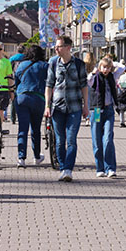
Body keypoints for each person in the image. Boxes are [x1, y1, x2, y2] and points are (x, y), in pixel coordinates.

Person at [44, 36, 88, 182]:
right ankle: (62, 168)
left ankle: (68, 169)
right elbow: (49, 85)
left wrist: (86, 106)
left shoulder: (79, 64)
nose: (56, 49)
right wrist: (47, 106)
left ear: (68, 48)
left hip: (74, 106)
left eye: (59, 46)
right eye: (56, 47)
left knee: (71, 140)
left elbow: (84, 86)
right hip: (57, 107)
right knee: (59, 140)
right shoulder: (54, 63)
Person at [14, 45, 47, 167]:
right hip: (38, 98)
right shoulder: (44, 66)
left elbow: (16, 81)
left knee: (22, 129)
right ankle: (37, 156)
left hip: (22, 98)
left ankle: (21, 158)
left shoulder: (21, 65)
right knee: (35, 129)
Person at [88, 57, 119, 178]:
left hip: (109, 110)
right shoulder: (95, 77)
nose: (106, 70)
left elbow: (121, 68)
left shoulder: (112, 77)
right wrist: (94, 71)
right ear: (99, 67)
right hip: (96, 110)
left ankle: (110, 168)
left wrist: (111, 61)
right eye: (104, 67)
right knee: (97, 139)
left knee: (108, 139)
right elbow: (88, 81)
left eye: (108, 68)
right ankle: (99, 168)